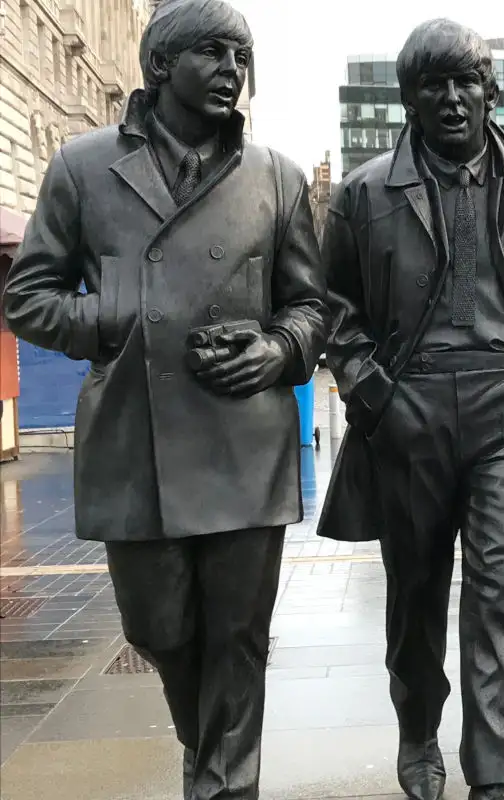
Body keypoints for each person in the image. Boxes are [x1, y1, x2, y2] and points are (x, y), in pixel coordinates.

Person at [1, 1, 326, 797]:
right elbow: (28, 296)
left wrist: (278, 347)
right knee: (159, 629)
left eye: (242, 57)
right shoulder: (83, 166)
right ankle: (205, 748)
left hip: (246, 441)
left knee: (241, 638)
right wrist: (108, 315)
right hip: (133, 441)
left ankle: (221, 784)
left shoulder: (277, 176)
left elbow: (315, 307)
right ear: (158, 68)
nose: (231, 72)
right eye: (213, 54)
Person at [315, 18, 504, 800]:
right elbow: (336, 307)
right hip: (410, 407)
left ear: (490, 92)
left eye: (466, 81)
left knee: (501, 590)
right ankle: (416, 730)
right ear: (409, 99)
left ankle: (494, 772)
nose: (452, 97)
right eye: (433, 84)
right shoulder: (367, 194)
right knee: (416, 591)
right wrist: (374, 397)